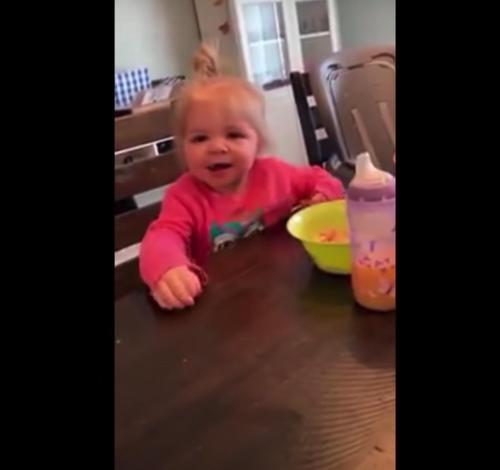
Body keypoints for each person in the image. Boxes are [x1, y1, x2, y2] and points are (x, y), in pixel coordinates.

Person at [140, 43, 344, 310]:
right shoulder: (184, 196)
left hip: (278, 293)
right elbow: (163, 235)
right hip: (218, 306)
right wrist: (168, 268)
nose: (216, 147)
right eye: (200, 138)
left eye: (234, 135)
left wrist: (322, 196)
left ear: (258, 143)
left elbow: (322, 178)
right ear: (183, 148)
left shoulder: (274, 174)